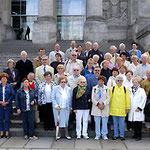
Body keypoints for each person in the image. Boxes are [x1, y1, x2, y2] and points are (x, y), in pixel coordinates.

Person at [109, 75, 130, 140]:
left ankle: (122, 135)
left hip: (122, 109)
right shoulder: (112, 89)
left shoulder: (125, 89)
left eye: (121, 80)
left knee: (122, 123)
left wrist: (127, 107)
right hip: (114, 108)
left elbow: (127, 99)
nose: (119, 82)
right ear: (116, 81)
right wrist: (109, 108)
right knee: (115, 124)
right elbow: (110, 99)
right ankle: (116, 135)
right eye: (118, 80)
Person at [91, 76, 110, 140]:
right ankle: (97, 134)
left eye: (102, 81)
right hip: (97, 107)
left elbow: (108, 98)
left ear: (104, 82)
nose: (100, 82)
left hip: (104, 107)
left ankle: (104, 134)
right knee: (97, 122)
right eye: (99, 81)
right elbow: (93, 98)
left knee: (104, 122)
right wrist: (98, 104)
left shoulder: (107, 88)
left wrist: (103, 104)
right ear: (98, 81)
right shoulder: (94, 88)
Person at [0, 73, 14, 139]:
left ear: (7, 79)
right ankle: (1, 132)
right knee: (1, 119)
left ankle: (7, 132)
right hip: (0, 105)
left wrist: (8, 101)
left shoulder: (10, 86)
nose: (3, 80)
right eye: (2, 78)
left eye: (5, 78)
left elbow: (12, 94)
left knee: (7, 119)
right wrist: (0, 102)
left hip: (7, 105)